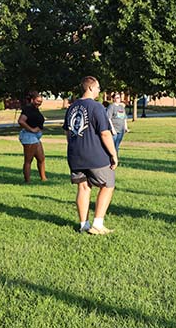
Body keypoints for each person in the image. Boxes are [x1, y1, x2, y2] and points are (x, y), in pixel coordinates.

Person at [63, 76, 119, 235]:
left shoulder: (71, 107)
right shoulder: (97, 107)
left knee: (83, 187)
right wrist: (113, 154)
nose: (99, 91)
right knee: (108, 184)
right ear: (90, 88)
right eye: (98, 88)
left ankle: (83, 225)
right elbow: (105, 134)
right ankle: (98, 224)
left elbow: (68, 132)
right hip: (95, 155)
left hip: (75, 155)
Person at [18, 91, 47, 183]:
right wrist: (31, 129)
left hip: (36, 137)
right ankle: (27, 181)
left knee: (41, 158)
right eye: (38, 101)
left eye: (41, 101)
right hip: (29, 136)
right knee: (28, 160)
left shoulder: (35, 109)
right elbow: (21, 121)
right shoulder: (28, 109)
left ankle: (43, 178)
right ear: (32, 100)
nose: (39, 103)